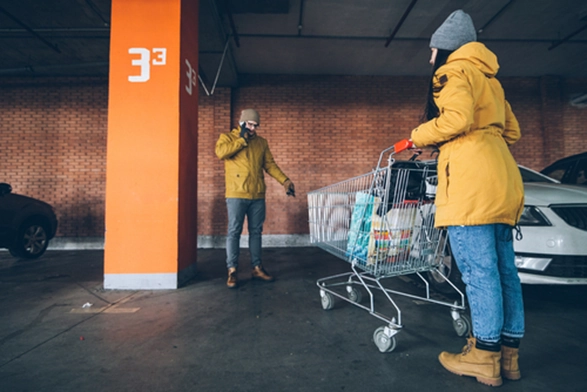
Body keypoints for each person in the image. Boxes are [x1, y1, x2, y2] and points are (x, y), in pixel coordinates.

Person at [409, 10, 525, 387]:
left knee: (478, 273)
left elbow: (455, 119)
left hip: (471, 184)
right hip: (503, 180)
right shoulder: (491, 80)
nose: (430, 59)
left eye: (432, 50)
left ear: (446, 47)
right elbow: (513, 131)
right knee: (505, 271)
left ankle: (484, 356)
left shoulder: (453, 72)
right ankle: (508, 356)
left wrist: (418, 135)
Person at [215, 109, 295, 289]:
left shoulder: (261, 143)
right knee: (234, 231)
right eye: (250, 124)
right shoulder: (227, 138)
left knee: (256, 232)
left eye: (255, 125)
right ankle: (232, 270)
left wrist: (285, 181)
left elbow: (270, 165)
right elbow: (221, 153)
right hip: (236, 194)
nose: (253, 128)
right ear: (242, 123)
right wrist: (241, 140)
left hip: (257, 195)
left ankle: (257, 268)